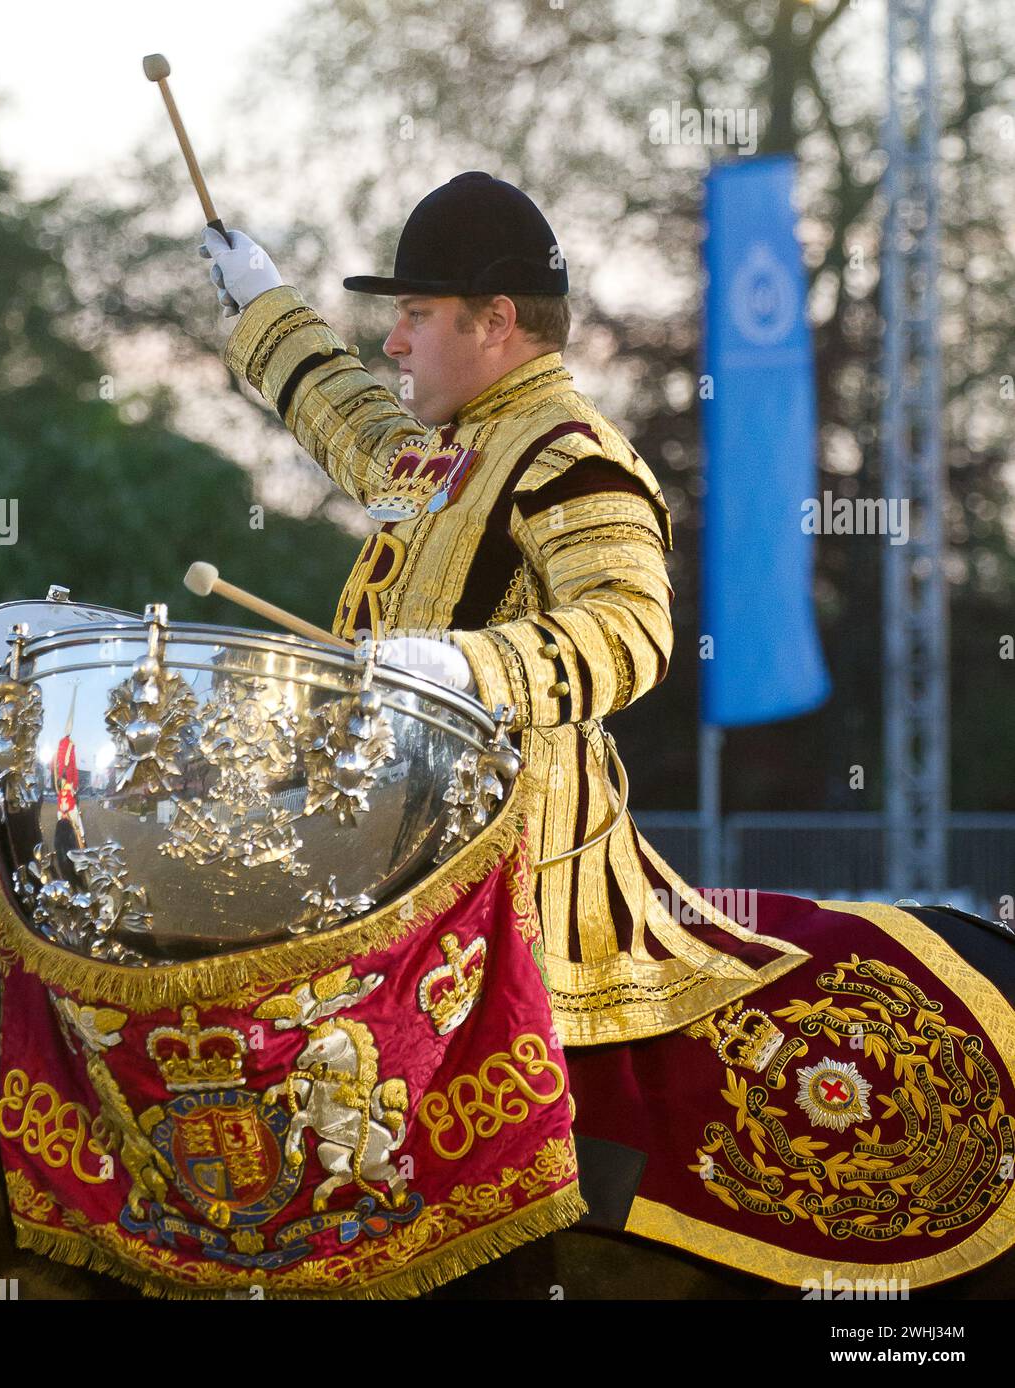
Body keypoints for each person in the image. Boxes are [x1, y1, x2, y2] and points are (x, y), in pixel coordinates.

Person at [201, 171, 809, 1046]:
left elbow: (633, 631)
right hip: (410, 865)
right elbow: (360, 428)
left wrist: (463, 668)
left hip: (521, 904)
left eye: (415, 315)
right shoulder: (451, 447)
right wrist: (265, 305)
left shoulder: (570, 453)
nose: (396, 344)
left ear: (495, 322)